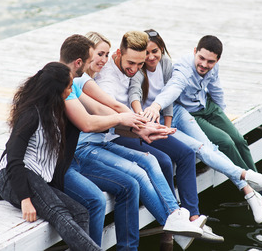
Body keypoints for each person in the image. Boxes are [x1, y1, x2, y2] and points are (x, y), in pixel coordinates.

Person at [59, 34, 205, 250]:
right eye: (97, 55)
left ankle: (174, 216)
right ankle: (171, 219)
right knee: (135, 175)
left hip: (100, 142)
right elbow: (94, 120)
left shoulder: (82, 82)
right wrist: (139, 126)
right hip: (82, 150)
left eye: (105, 55)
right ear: (81, 60)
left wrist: (144, 129)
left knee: (149, 161)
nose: (102, 60)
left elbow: (114, 109)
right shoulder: (75, 82)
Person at [89, 31, 223, 247]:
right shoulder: (106, 80)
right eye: (131, 63)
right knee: (157, 160)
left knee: (183, 153)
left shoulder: (139, 66)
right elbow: (112, 115)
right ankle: (174, 222)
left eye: (139, 64)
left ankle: (188, 217)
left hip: (135, 124)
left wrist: (151, 122)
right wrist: (141, 126)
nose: (135, 69)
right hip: (116, 132)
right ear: (118, 53)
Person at [129, 29, 262, 225]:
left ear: (162, 50)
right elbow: (146, 92)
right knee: (200, 149)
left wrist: (166, 118)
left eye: (155, 51)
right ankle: (248, 187)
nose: (150, 57)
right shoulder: (145, 71)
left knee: (213, 146)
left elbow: (174, 93)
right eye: (146, 53)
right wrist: (148, 112)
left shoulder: (165, 63)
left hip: (176, 114)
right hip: (153, 121)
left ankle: (251, 190)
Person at [0, 62, 102, 251]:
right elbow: (13, 158)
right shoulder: (31, 114)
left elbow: (90, 122)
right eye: (68, 86)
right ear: (56, 90)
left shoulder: (55, 112)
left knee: (81, 212)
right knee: (59, 213)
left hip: (38, 180)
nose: (71, 89)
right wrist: (25, 199)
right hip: (16, 179)